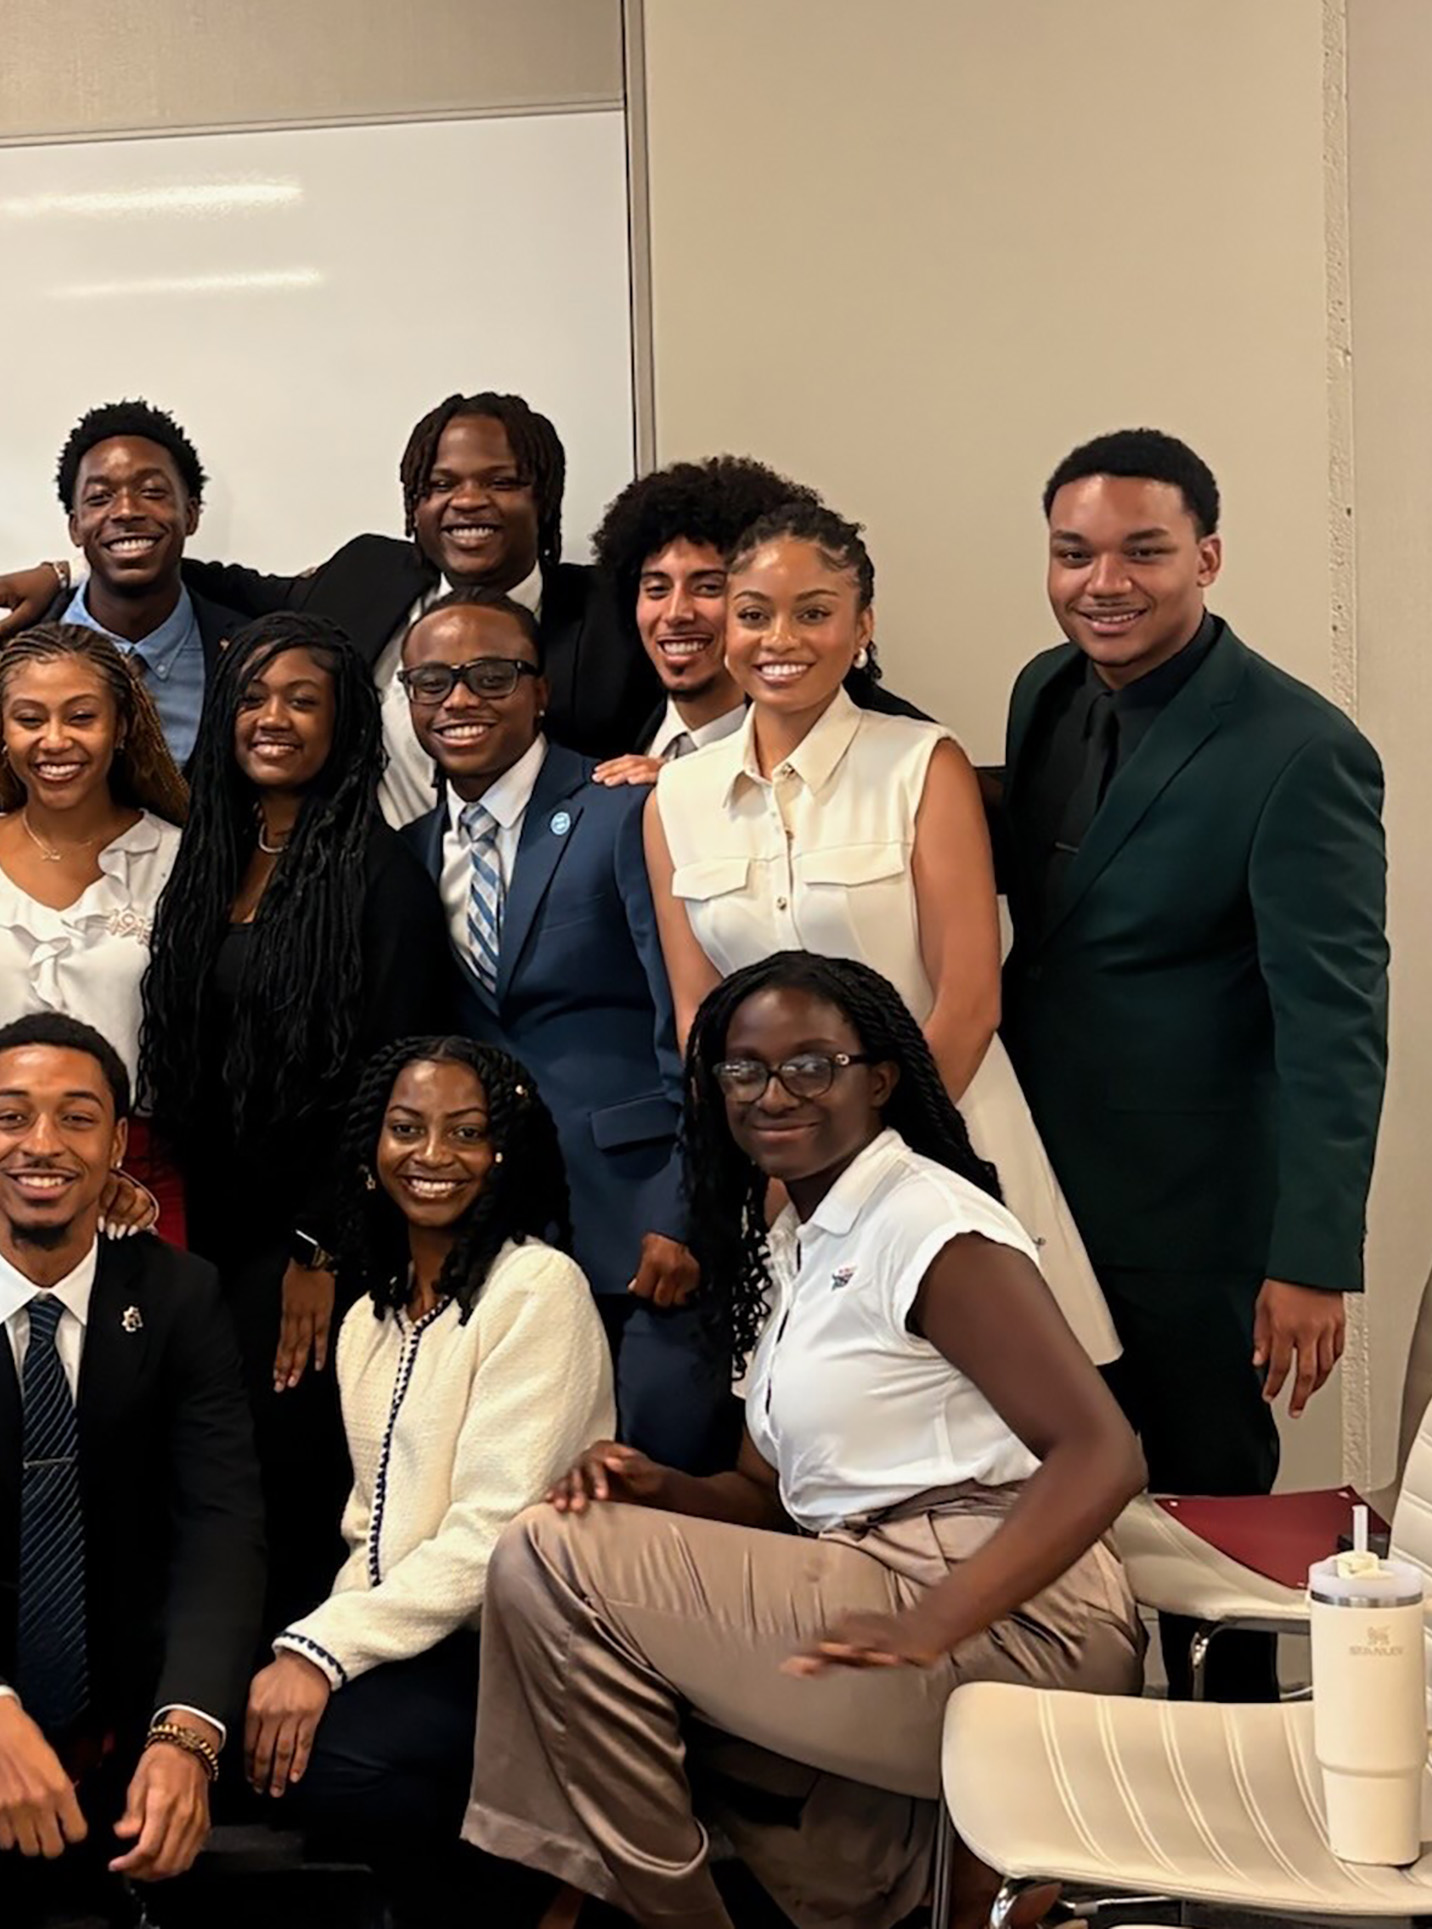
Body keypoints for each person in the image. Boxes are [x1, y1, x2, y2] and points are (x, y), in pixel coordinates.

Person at [464, 952, 1148, 1929]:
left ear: (878, 1079)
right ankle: (872, 1871)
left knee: (545, 1559)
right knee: (570, 1603)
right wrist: (658, 1489)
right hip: (872, 1577)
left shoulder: (926, 1223)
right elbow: (761, 1492)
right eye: (743, 1070)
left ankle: (650, 1912)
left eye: (810, 1065)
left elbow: (1103, 1454)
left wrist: (933, 1621)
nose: (772, 1092)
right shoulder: (798, 1236)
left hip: (1014, 1618)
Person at [1002, 428, 1388, 1700]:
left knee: (1202, 1505)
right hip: (1040, 1187)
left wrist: (1312, 1257)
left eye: (1142, 552)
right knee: (1064, 1495)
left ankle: (1226, 1784)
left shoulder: (1298, 749)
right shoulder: (1046, 690)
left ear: (1206, 558)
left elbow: (1335, 1016)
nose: (1102, 582)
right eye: (1073, 553)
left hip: (1197, 1213)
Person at [645, 501, 1119, 1364]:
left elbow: (969, 1000)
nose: (778, 637)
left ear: (861, 627)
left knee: (998, 1436)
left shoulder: (919, 763)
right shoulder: (673, 797)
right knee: (812, 1439)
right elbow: (698, 1020)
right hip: (781, 1175)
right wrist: (775, 1165)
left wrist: (860, 1163)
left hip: (944, 1145)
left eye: (813, 612)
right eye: (753, 614)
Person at [0, 1012, 263, 1927]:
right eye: (13, 1116)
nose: (43, 1145)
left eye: (77, 1118)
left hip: (127, 1659)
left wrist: (188, 1730)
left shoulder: (182, 1297)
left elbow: (221, 1528)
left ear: (116, 1144)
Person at [139, 611, 452, 1632]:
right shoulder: (209, 857)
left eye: (301, 700)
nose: (272, 718)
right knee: (198, 1464)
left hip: (321, 1238)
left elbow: (391, 1077)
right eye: (253, 698)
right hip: (212, 1224)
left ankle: (289, 1682)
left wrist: (323, 1243)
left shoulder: (380, 876)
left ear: (346, 726)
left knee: (283, 1467)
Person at [246, 1037, 605, 1925]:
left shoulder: (538, 1287)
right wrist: (323, 1654)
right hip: (411, 1640)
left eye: (466, 1133)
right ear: (372, 1147)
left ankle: (541, 1893)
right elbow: (370, 1527)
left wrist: (319, 1650)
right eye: (406, 1128)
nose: (433, 1156)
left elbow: (492, 1531)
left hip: (513, 1651)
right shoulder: (371, 1313)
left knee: (336, 1763)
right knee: (251, 1745)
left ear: (503, 1152)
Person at [0, 391, 658, 825]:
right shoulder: (368, 575)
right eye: (441, 483)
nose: (468, 501)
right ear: (414, 505)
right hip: (372, 905)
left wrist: (675, 774)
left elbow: (693, 716)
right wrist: (60, 575)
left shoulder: (615, 614)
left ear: (545, 498)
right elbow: (187, 567)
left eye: (501, 482)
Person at [394, 588, 719, 1468]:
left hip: (642, 1224)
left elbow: (690, 1024)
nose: (459, 700)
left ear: (540, 690)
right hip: (502, 1239)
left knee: (659, 1484)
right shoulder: (408, 853)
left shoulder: (624, 809)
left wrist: (686, 1209)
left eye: (491, 676)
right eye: (431, 681)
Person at [0, 623, 191, 1236]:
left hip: (139, 1180)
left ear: (122, 725)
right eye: (29, 719)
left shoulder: (179, 861)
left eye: (81, 717)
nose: (55, 741)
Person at [586, 455, 929, 788]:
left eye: (708, 587)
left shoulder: (903, 755)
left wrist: (689, 788)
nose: (676, 613)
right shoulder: (602, 722)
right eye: (657, 589)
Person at [37, 398, 246, 765]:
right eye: (100, 497)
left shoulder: (248, 656)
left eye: (151, 491)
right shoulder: (2, 657)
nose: (126, 511)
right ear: (75, 527)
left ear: (191, 514)